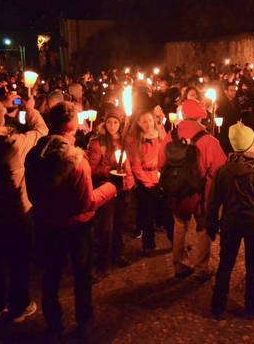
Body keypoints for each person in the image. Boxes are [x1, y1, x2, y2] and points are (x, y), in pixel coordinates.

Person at [25, 102, 127, 340]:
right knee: (82, 275)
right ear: (71, 125)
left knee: (51, 275)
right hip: (77, 228)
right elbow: (87, 202)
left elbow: (32, 193)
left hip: (47, 226)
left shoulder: (35, 154)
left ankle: (53, 324)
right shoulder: (76, 160)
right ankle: (84, 320)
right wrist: (112, 186)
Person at [0, 97, 48, 322]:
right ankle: (19, 306)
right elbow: (41, 130)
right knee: (19, 261)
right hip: (17, 213)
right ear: (0, 120)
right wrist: (30, 108)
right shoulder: (13, 145)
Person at [207, 122, 254, 319]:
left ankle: (218, 307)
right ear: (250, 145)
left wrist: (211, 226)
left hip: (231, 224)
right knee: (253, 265)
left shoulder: (222, 172)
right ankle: (252, 308)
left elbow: (214, 202)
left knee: (225, 264)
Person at [158, 99, 226, 280]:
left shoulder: (170, 136)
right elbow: (220, 170)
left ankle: (180, 264)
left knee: (180, 225)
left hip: (177, 191)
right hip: (201, 194)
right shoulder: (208, 140)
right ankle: (201, 268)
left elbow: (160, 162)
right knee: (203, 228)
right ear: (200, 117)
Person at [87, 108, 135, 280]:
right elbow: (92, 169)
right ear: (104, 123)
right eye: (109, 122)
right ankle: (102, 263)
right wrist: (109, 170)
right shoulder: (98, 142)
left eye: (116, 122)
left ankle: (117, 253)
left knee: (119, 223)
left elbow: (129, 162)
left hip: (123, 187)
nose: (112, 125)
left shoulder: (124, 141)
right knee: (105, 227)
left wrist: (129, 180)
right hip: (106, 187)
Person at [127, 109, 172, 256]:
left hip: (160, 179)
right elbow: (136, 165)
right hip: (145, 181)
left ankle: (176, 241)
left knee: (167, 213)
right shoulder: (137, 141)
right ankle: (148, 244)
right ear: (139, 123)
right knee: (147, 215)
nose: (148, 124)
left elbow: (167, 154)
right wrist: (147, 182)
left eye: (150, 121)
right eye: (144, 121)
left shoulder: (159, 137)